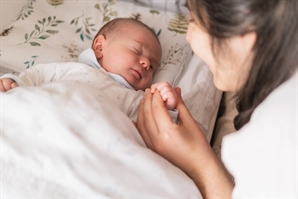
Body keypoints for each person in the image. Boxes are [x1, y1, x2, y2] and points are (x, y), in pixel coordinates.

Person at [136, 0, 297, 198]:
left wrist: (199, 166)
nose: (188, 37)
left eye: (194, 21)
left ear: (244, 36)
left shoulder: (279, 131)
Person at [0, 18, 178, 121]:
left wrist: (166, 107)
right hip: (44, 117)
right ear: (100, 46)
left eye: (152, 67)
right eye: (137, 51)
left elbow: (153, 129)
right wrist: (14, 83)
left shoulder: (135, 99)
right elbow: (34, 76)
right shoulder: (72, 69)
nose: (146, 63)